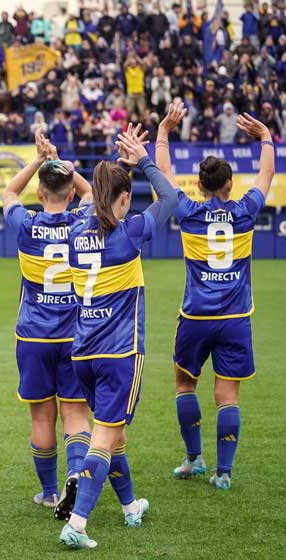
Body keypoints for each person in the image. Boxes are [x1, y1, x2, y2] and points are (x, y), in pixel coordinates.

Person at [59, 124, 178, 550]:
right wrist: (143, 159)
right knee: (105, 438)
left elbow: (96, 202)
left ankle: (129, 507)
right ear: (124, 199)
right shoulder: (130, 233)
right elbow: (171, 199)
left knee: (115, 435)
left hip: (83, 353)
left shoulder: (75, 232)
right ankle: (78, 522)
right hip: (120, 353)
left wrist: (118, 169)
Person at [155, 101, 274, 490]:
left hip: (195, 317)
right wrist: (266, 138)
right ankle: (223, 472)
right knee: (228, 394)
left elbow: (164, 176)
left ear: (202, 186)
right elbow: (267, 173)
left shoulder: (188, 211)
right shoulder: (244, 211)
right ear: (229, 186)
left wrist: (164, 132)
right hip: (236, 318)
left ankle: (194, 459)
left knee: (184, 383)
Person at [2, 129, 93, 517]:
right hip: (76, 335)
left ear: (39, 194)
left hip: (33, 334)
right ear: (70, 192)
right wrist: (68, 168)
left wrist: (39, 160)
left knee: (42, 416)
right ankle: (77, 476)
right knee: (75, 414)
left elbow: (8, 192)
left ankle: (50, 492)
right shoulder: (82, 220)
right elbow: (92, 195)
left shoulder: (25, 224)